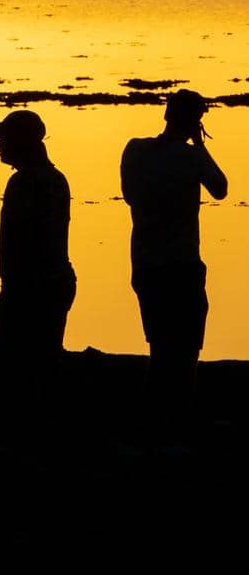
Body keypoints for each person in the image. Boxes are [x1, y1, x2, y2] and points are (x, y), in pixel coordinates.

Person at [120, 89, 227, 425]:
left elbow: (129, 196)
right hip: (181, 264)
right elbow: (220, 188)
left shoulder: (135, 150)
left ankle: (155, 418)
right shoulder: (192, 157)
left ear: (167, 115)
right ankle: (177, 420)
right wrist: (199, 145)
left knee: (161, 347)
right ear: (197, 122)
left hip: (146, 263)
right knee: (184, 351)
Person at [0, 110, 76, 379]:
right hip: (51, 282)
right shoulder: (55, 179)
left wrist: (13, 288)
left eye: (4, 139)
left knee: (15, 370)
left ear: (21, 143)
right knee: (42, 365)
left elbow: (24, 241)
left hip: (30, 288)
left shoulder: (24, 182)